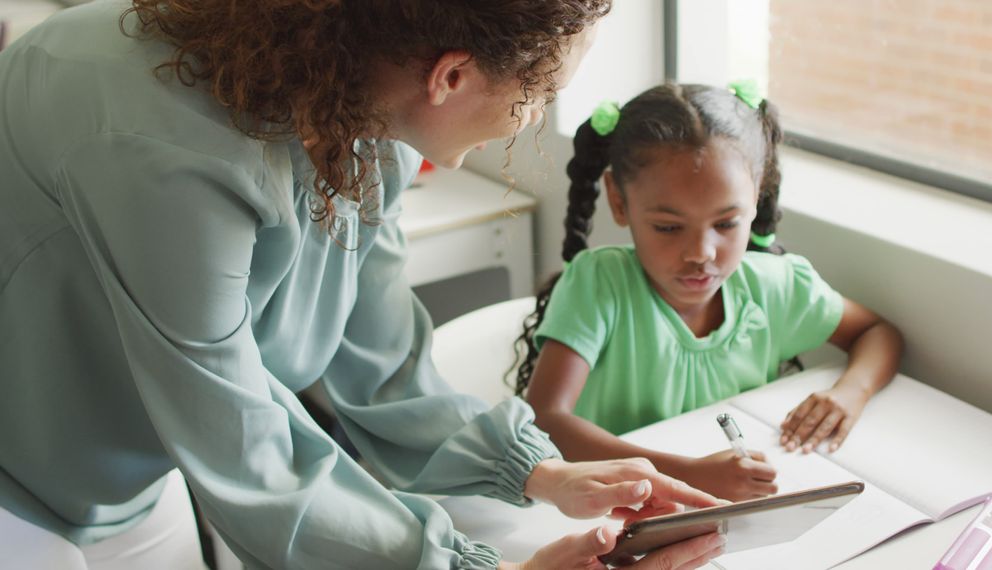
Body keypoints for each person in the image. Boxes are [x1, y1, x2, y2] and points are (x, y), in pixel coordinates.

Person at [0, 1, 729, 568]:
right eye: (540, 94)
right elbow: (241, 441)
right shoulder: (164, 152)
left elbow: (379, 363)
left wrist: (546, 471)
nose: (532, 120)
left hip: (128, 472)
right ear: (450, 76)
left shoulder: (365, 129)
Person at [513, 82, 905, 502]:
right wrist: (688, 475)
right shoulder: (599, 283)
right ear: (619, 200)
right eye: (668, 227)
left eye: (726, 224)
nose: (701, 254)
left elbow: (877, 333)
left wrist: (850, 392)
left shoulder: (775, 285)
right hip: (613, 508)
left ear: (757, 195)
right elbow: (546, 420)